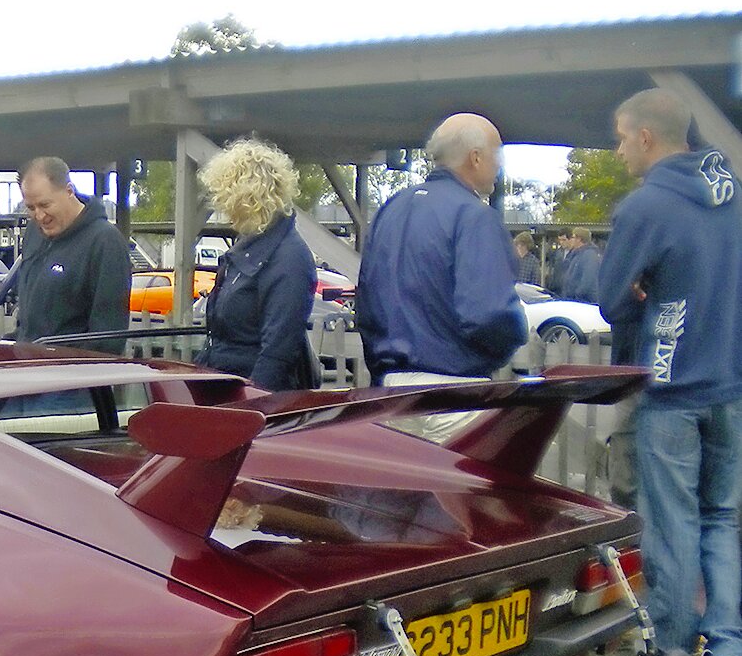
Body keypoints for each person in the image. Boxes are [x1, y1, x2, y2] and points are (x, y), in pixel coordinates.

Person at [597, 86, 742, 656]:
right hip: (732, 383)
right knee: (721, 520)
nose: (621, 148)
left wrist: (644, 287)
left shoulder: (646, 206)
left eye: (623, 137)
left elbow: (608, 298)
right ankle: (731, 649)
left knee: (673, 524)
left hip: (672, 381)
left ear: (648, 137)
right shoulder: (733, 194)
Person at [355, 114, 527, 437]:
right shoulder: (475, 217)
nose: (499, 165)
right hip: (456, 393)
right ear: (475, 158)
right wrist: (518, 333)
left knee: (403, 486)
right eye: (497, 154)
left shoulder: (390, 210)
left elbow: (366, 301)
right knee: (462, 487)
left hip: (392, 390)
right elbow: (488, 313)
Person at [195, 139, 317, 390]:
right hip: (228, 385)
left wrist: (251, 405)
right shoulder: (251, 247)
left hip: (252, 396)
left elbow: (277, 352)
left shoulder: (289, 258)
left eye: (226, 197)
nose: (224, 208)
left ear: (245, 198)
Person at [4, 156, 130, 350]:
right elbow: (26, 320)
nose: (39, 216)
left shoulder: (105, 242)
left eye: (45, 205)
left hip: (71, 374)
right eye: (31, 207)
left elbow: (108, 337)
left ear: (69, 191)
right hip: (28, 370)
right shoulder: (33, 233)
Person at [558, 226, 603, 303]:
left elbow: (588, 282)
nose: (571, 240)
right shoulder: (577, 254)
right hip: (573, 301)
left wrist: (576, 296)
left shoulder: (589, 255)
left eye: (573, 237)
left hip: (582, 302)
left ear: (579, 239)